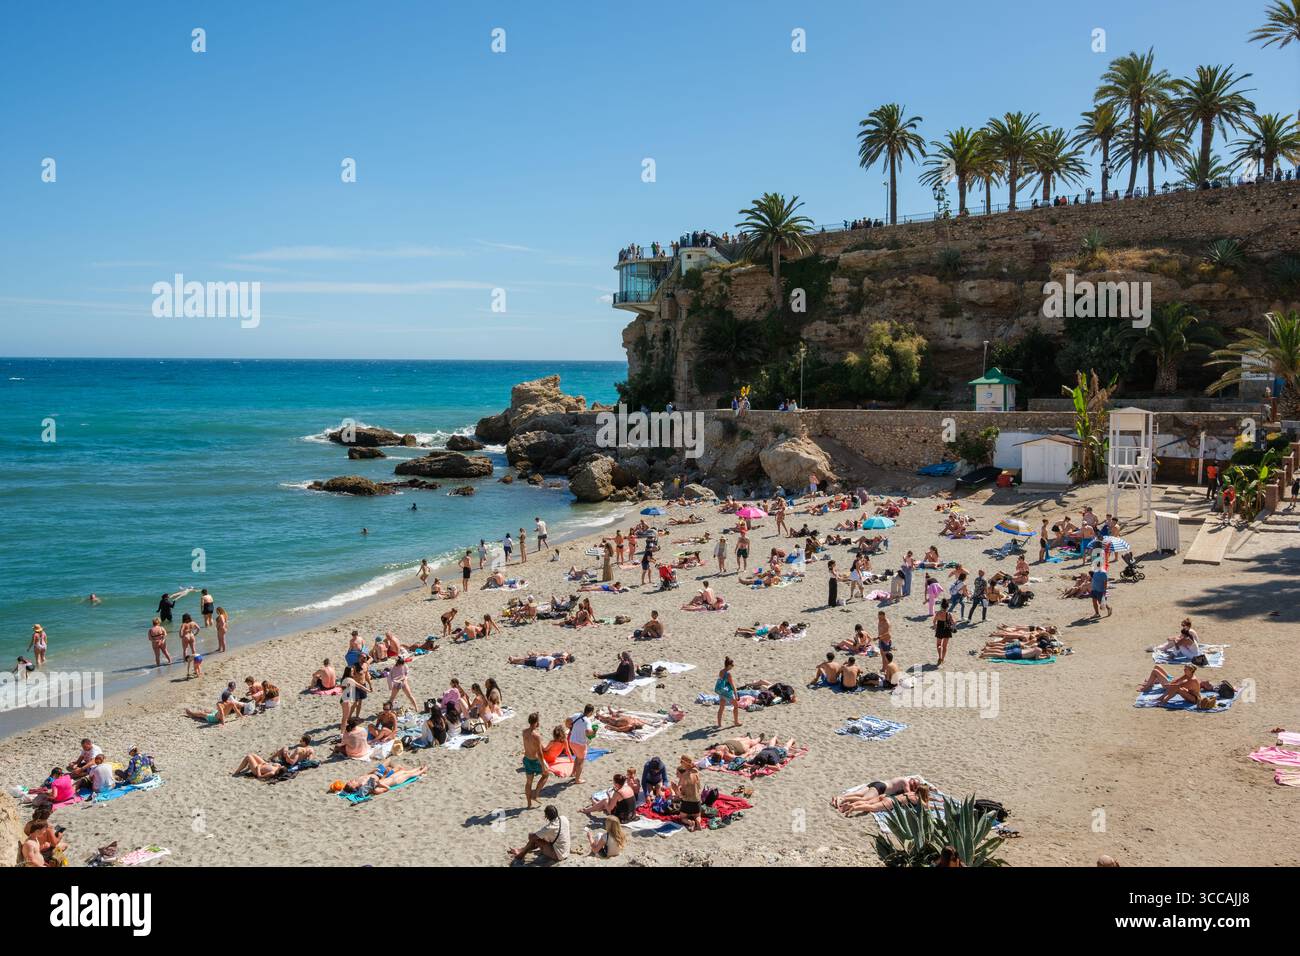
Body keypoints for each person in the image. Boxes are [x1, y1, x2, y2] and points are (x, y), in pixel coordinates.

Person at [523, 711, 547, 808]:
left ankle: (529, 804)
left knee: (529, 782)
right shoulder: (536, 736)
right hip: (534, 760)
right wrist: (543, 765)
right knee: (546, 775)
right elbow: (540, 753)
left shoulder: (524, 732)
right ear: (536, 722)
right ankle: (536, 794)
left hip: (527, 759)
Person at [566, 704, 595, 785]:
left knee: (577, 757)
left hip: (571, 741)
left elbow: (567, 720)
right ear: (591, 712)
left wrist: (569, 727)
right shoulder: (587, 721)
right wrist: (594, 732)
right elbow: (589, 733)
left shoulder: (577, 715)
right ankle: (577, 780)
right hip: (580, 744)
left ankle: (573, 773)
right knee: (581, 761)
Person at [677, 755, 703, 831]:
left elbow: (681, 792)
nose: (680, 763)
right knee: (697, 816)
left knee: (682, 818)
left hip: (687, 801)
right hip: (697, 800)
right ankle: (698, 821)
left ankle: (691, 823)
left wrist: (677, 790)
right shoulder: (696, 771)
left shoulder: (685, 775)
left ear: (685, 764)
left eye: (681, 762)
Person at [715, 657, 740, 727]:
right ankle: (736, 722)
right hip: (727, 692)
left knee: (721, 708)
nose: (733, 666)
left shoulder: (721, 671)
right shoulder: (728, 674)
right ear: (729, 665)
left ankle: (719, 724)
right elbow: (732, 685)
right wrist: (736, 694)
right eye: (732, 665)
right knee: (736, 706)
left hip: (721, 691)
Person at [933, 598, 955, 666]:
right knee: (944, 646)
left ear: (941, 606)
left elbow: (934, 621)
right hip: (947, 630)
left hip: (939, 629)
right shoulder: (949, 614)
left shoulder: (938, 613)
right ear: (947, 607)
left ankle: (939, 657)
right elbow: (954, 622)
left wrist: (935, 627)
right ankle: (943, 659)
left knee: (938, 645)